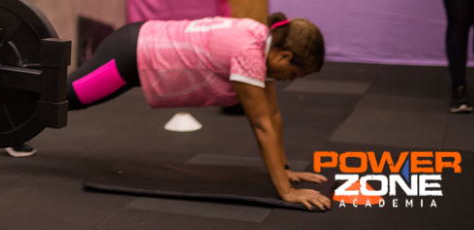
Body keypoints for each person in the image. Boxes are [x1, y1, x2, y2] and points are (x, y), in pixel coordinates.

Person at [66, 13, 331, 211]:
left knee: (64, 97)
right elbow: (261, 126)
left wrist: (284, 170)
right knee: (64, 98)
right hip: (130, 53)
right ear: (284, 56)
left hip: (140, 44)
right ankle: (24, 90)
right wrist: (286, 192)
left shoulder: (261, 38)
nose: (291, 80)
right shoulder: (248, 53)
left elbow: (272, 115)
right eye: (294, 74)